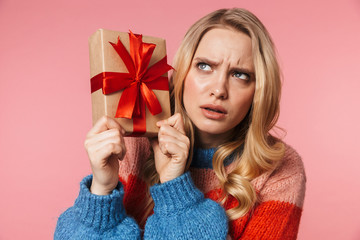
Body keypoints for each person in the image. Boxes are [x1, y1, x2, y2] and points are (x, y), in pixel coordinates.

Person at [55, 8, 306, 240]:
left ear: (258, 90)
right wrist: (102, 191)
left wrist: (176, 189)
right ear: (182, 73)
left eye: (240, 74)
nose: (219, 90)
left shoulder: (280, 168)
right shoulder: (133, 144)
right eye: (205, 66)